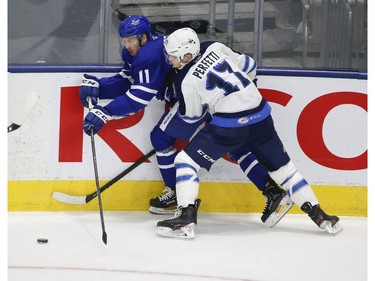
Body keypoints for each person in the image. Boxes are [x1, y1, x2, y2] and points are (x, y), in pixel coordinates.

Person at [79, 15, 292, 225]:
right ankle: (272, 192)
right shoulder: (139, 51)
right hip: (205, 96)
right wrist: (101, 86)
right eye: (124, 40)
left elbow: (138, 98)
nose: (127, 45)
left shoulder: (149, 56)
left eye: (131, 40)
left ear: (143, 38)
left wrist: (103, 112)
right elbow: (129, 79)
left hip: (194, 100)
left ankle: (175, 194)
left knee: (161, 139)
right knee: (234, 146)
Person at [156, 27, 343, 239]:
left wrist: (211, 103)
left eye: (172, 56)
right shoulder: (216, 47)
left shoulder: (185, 80)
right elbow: (250, 66)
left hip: (229, 128)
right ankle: (320, 215)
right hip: (261, 117)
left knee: (185, 161)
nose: (170, 61)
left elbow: (191, 117)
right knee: (285, 170)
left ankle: (185, 218)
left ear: (186, 55)